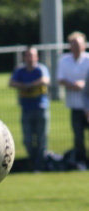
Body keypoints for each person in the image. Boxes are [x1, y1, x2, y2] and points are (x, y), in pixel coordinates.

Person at [9, 46, 50, 172]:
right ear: (24, 57)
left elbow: (45, 80)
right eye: (28, 55)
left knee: (41, 138)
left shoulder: (41, 69)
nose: (30, 58)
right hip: (26, 109)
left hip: (40, 108)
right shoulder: (20, 70)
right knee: (27, 139)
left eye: (32, 55)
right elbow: (11, 83)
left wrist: (29, 85)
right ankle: (32, 162)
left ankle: (40, 163)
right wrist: (24, 86)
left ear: (36, 57)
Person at [57, 31, 89, 169]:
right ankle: (82, 162)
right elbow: (60, 79)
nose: (75, 47)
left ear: (84, 45)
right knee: (78, 137)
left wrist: (83, 84)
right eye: (73, 44)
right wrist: (73, 85)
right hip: (75, 106)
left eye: (78, 44)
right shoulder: (64, 60)